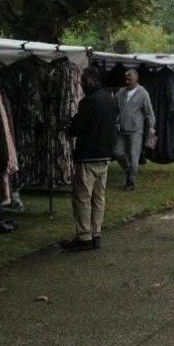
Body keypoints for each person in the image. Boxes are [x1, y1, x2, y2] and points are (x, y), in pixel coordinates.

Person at [62, 67, 119, 252]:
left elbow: (78, 127)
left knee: (82, 197)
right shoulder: (110, 99)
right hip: (105, 154)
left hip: (88, 154)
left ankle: (84, 235)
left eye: (82, 81)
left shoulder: (88, 102)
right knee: (99, 196)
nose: (80, 84)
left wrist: (70, 127)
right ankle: (96, 233)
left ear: (89, 82)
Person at [115, 69, 156, 191]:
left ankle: (130, 181)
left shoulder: (143, 93)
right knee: (118, 153)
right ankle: (129, 171)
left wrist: (151, 127)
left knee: (134, 157)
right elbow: (114, 107)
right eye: (126, 79)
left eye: (130, 79)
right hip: (121, 129)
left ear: (136, 79)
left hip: (136, 131)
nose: (127, 81)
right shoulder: (120, 92)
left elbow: (149, 112)